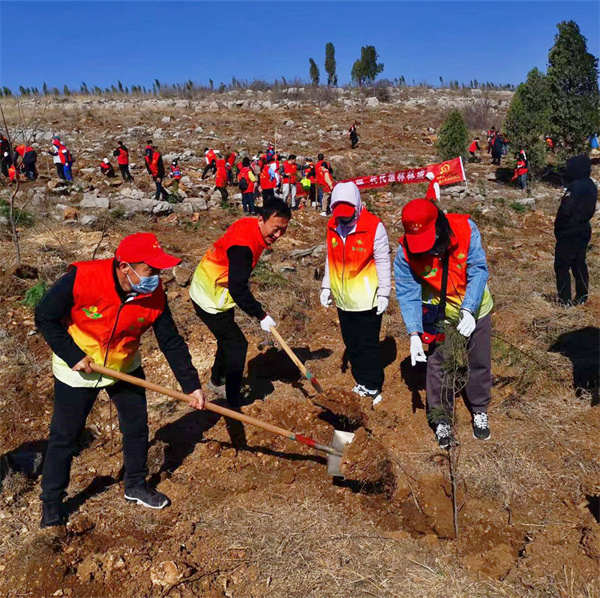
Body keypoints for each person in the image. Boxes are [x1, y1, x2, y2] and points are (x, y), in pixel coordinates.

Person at [34, 233, 205, 529]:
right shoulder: (82, 278)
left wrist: (192, 385)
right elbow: (44, 316)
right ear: (125, 267)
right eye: (151, 270)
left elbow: (171, 341)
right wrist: (72, 354)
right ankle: (51, 500)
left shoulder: (154, 294)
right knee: (65, 436)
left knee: (136, 427)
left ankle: (135, 485)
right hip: (77, 370)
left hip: (124, 366)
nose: (157, 277)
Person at [394, 199, 494, 448]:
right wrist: (414, 333)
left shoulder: (466, 229)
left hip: (476, 309)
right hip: (440, 315)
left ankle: (479, 408)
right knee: (439, 365)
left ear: (438, 225)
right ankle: (441, 419)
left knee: (478, 360)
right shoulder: (404, 252)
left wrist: (469, 309)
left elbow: (478, 270)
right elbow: (407, 292)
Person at [189, 201, 291, 408]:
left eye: (283, 230)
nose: (278, 235)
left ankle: (216, 380)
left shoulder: (249, 224)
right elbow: (238, 289)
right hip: (210, 297)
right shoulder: (243, 247)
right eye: (275, 229)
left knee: (226, 339)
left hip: (213, 289)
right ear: (261, 219)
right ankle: (233, 397)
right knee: (237, 344)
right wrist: (261, 315)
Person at [320, 182, 391, 404]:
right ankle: (361, 380)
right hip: (343, 298)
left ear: (358, 206)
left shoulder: (374, 227)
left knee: (368, 344)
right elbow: (330, 257)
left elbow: (383, 261)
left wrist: (384, 293)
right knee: (351, 342)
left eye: (348, 215)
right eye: (340, 216)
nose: (344, 220)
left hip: (366, 298)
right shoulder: (333, 225)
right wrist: (326, 285)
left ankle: (372, 385)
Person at [554, 155, 598, 306]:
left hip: (569, 231)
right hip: (583, 228)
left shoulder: (576, 186)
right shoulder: (590, 184)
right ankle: (582, 297)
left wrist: (559, 228)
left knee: (562, 266)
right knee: (579, 264)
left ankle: (564, 300)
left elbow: (565, 210)